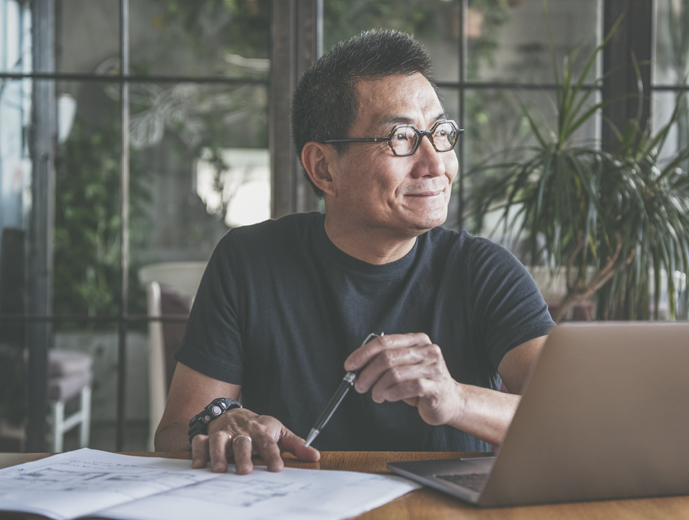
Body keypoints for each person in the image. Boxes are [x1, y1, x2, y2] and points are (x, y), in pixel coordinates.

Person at [154, 30, 555, 475]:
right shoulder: (248, 261)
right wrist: (218, 427)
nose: (436, 163)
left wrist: (455, 399)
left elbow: (569, 421)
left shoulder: (485, 271)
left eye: (441, 132)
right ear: (323, 167)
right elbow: (173, 433)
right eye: (401, 137)